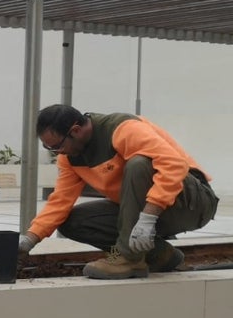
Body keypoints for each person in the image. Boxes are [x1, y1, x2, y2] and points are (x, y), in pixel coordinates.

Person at [19, 104, 219, 280]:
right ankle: (160, 255)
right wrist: (29, 240)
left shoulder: (123, 129)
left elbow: (174, 165)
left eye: (57, 146)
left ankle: (128, 259)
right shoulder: (70, 158)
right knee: (73, 222)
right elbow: (60, 201)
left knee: (139, 164)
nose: (57, 153)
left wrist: (149, 216)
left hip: (192, 202)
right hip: (150, 210)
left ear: (76, 130)